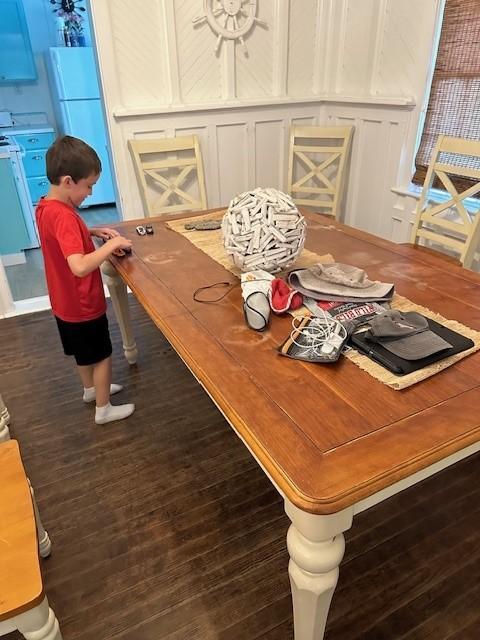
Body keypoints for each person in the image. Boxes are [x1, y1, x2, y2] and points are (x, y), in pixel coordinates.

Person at [36, 135, 135, 425]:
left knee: (81, 353)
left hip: (63, 304)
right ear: (68, 181)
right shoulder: (66, 217)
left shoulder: (46, 207)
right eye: (88, 186)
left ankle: (90, 391)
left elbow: (62, 237)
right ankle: (103, 409)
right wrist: (107, 248)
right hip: (83, 305)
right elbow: (79, 266)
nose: (90, 193)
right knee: (102, 354)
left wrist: (92, 232)